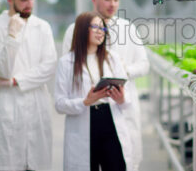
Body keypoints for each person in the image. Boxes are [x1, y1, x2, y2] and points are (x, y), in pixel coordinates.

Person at [61, 0, 148, 168]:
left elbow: (144, 65)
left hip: (120, 105)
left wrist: (123, 71)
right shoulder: (74, 30)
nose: (113, 4)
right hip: (86, 111)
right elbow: (68, 69)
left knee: (123, 160)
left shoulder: (128, 28)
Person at [0, 0, 57, 171]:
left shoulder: (43, 27)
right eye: (24, 0)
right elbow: (3, 70)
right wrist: (12, 36)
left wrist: (15, 81)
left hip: (37, 105)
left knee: (38, 163)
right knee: (7, 163)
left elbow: (49, 67)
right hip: (7, 106)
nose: (29, 5)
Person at [55, 12, 137, 171]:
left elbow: (128, 97)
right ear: (82, 30)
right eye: (96, 27)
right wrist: (86, 101)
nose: (101, 32)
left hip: (110, 120)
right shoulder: (66, 63)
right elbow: (59, 104)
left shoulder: (112, 58)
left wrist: (122, 99)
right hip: (84, 121)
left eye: (103, 28)